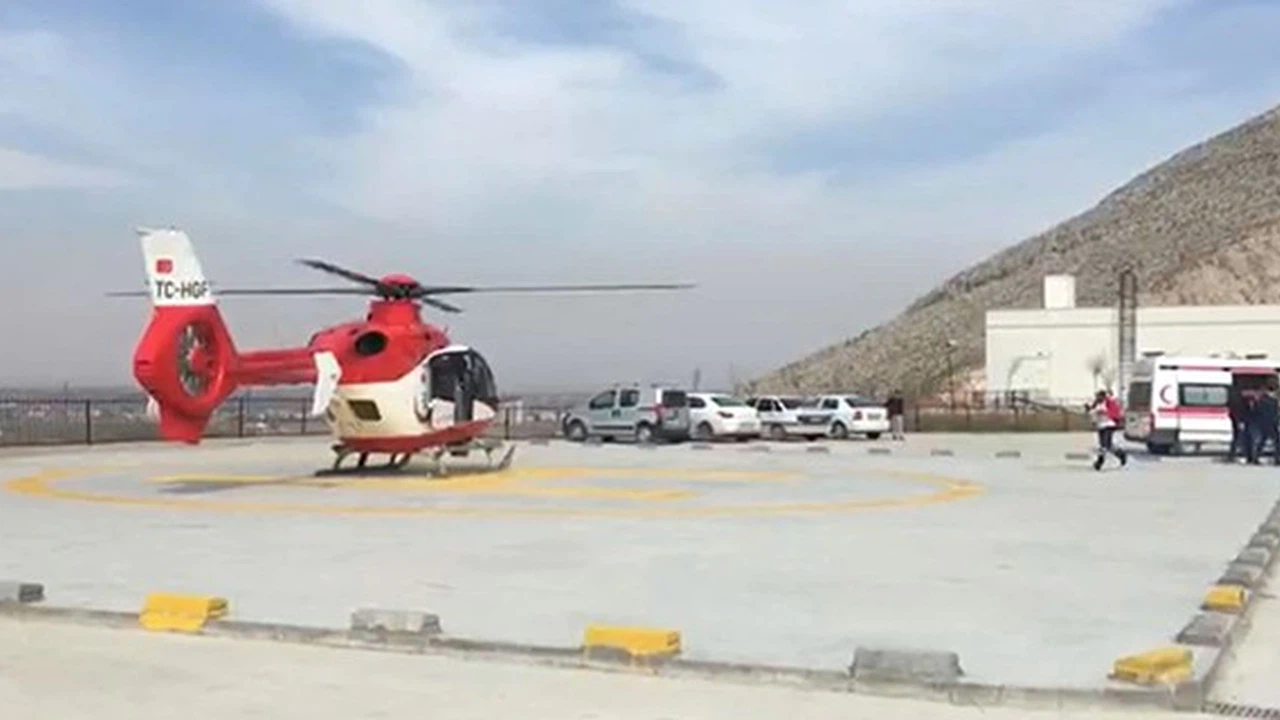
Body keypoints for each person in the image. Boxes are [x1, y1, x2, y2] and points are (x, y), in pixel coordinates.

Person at [1087, 389, 1128, 471]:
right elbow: (1092, 412)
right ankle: (1121, 455)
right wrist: (1090, 410)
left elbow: (1115, 412)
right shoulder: (1096, 403)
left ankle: (1099, 462)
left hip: (1109, 425)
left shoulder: (1109, 402)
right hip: (1101, 426)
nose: (1097, 398)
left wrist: (1104, 412)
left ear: (1103, 396)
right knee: (1106, 445)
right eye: (1097, 396)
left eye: (1099, 396)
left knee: (1104, 445)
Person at [1254, 382, 1280, 466]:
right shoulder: (1270, 401)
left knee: (1263, 440)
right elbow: (1273, 413)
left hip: (1266, 424)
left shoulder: (1262, 400)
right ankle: (1277, 458)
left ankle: (1256, 456)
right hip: (1270, 424)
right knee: (1276, 442)